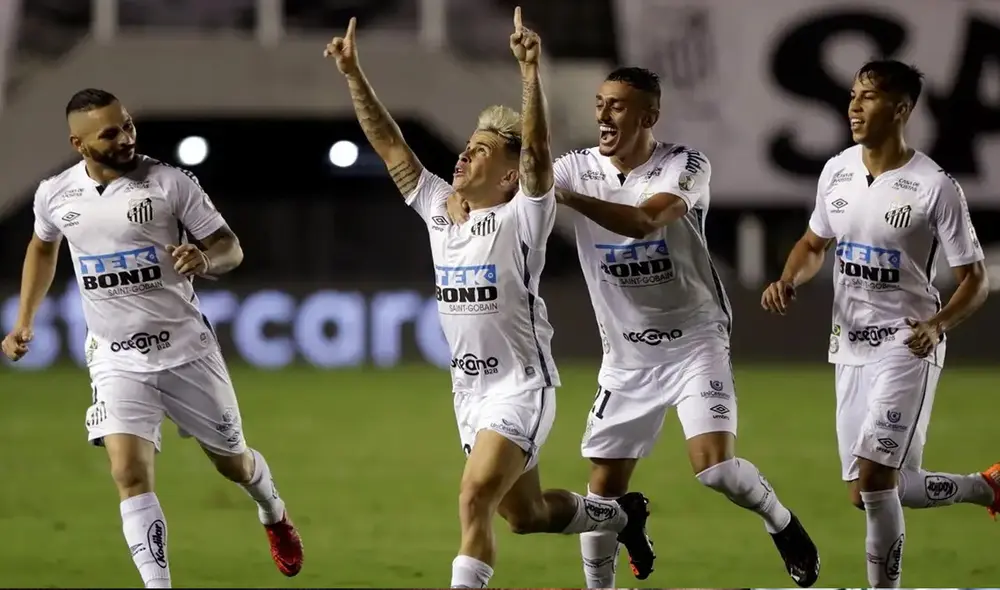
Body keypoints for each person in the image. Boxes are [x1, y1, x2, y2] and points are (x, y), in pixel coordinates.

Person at [449, 66, 821, 588]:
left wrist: (565, 196)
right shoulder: (577, 165)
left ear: (649, 116)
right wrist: (458, 197)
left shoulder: (685, 165)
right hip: (625, 354)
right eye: (600, 103)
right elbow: (516, 180)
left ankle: (780, 523)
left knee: (714, 468)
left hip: (695, 339)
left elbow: (645, 220)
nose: (603, 113)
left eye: (618, 105)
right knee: (601, 496)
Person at [324, 9, 655, 588]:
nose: (464, 155)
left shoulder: (522, 216)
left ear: (508, 176)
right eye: (467, 147)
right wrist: (354, 74)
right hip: (469, 393)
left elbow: (536, 155)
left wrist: (529, 71)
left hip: (520, 387)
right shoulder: (438, 209)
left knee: (474, 496)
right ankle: (622, 514)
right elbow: (389, 144)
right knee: (525, 516)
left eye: (480, 151)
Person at [1, 89, 304, 588]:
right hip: (115, 358)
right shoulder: (55, 194)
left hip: (186, 352)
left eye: (128, 126)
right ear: (79, 144)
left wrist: (206, 260)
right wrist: (24, 319)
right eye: (111, 133)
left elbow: (229, 247)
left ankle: (272, 510)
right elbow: (42, 246)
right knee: (129, 474)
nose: (126, 138)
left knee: (234, 463)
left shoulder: (169, 183)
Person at [761, 59, 999, 588]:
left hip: (907, 344)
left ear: (900, 109)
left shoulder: (935, 186)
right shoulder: (837, 171)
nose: (853, 106)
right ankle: (985, 489)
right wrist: (789, 279)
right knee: (871, 488)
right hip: (849, 346)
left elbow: (975, 279)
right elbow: (813, 243)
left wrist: (939, 324)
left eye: (867, 97)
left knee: (873, 480)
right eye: (852, 95)